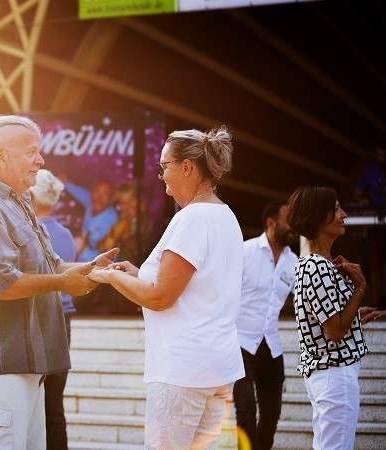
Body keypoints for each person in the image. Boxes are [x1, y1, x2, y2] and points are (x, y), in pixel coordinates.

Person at [0, 115, 118, 450]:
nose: (41, 161)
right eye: (31, 152)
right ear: (0, 156)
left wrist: (94, 270)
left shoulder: (18, 205)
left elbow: (53, 265)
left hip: (25, 371)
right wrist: (61, 283)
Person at [87, 126, 245, 449]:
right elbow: (193, 287)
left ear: (187, 167)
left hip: (183, 372)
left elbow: (161, 297)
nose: (161, 176)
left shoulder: (193, 218)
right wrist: (134, 274)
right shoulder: (226, 216)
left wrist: (110, 278)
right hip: (216, 368)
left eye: (164, 166)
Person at [286, 187, 369, 450]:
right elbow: (334, 331)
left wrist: (354, 312)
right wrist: (360, 289)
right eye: (335, 209)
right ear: (318, 217)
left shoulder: (312, 264)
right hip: (335, 374)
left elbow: (327, 319)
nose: (343, 214)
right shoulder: (317, 267)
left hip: (328, 375)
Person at [233, 200, 297, 450]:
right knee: (246, 412)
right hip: (241, 345)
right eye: (288, 220)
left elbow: (308, 300)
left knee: (270, 419)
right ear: (271, 223)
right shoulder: (245, 252)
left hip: (272, 347)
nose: (294, 227)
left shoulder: (294, 262)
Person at [31, 169, 77, 450]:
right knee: (54, 403)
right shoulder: (67, 235)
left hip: (39, 318)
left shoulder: (29, 231)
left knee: (34, 404)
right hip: (63, 319)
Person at [354, 137, 386, 310]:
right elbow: (357, 193)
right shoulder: (368, 172)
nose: (382, 159)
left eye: (385, 155)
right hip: (375, 224)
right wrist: (365, 200)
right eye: (379, 155)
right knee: (376, 265)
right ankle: (377, 303)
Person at [64, 179, 118, 262]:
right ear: (91, 193)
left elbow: (108, 262)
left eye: (105, 194)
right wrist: (65, 182)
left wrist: (83, 250)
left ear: (111, 200)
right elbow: (81, 194)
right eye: (97, 191)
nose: (99, 197)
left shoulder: (114, 222)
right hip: (77, 261)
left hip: (96, 270)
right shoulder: (91, 202)